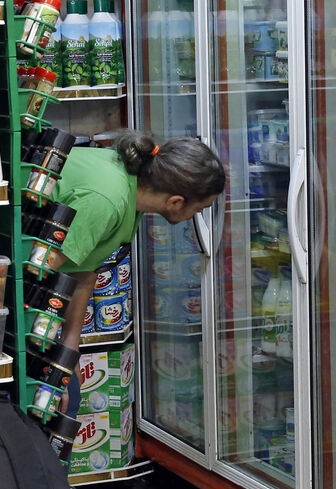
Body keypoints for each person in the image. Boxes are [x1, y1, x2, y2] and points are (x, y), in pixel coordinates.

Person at [46, 130, 225, 412]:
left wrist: (69, 355)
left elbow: (83, 272)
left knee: (71, 392)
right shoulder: (108, 200)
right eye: (200, 208)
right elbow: (31, 273)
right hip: (0, 278)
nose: (196, 216)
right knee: (60, 404)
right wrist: (46, 365)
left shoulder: (131, 189)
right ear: (176, 201)